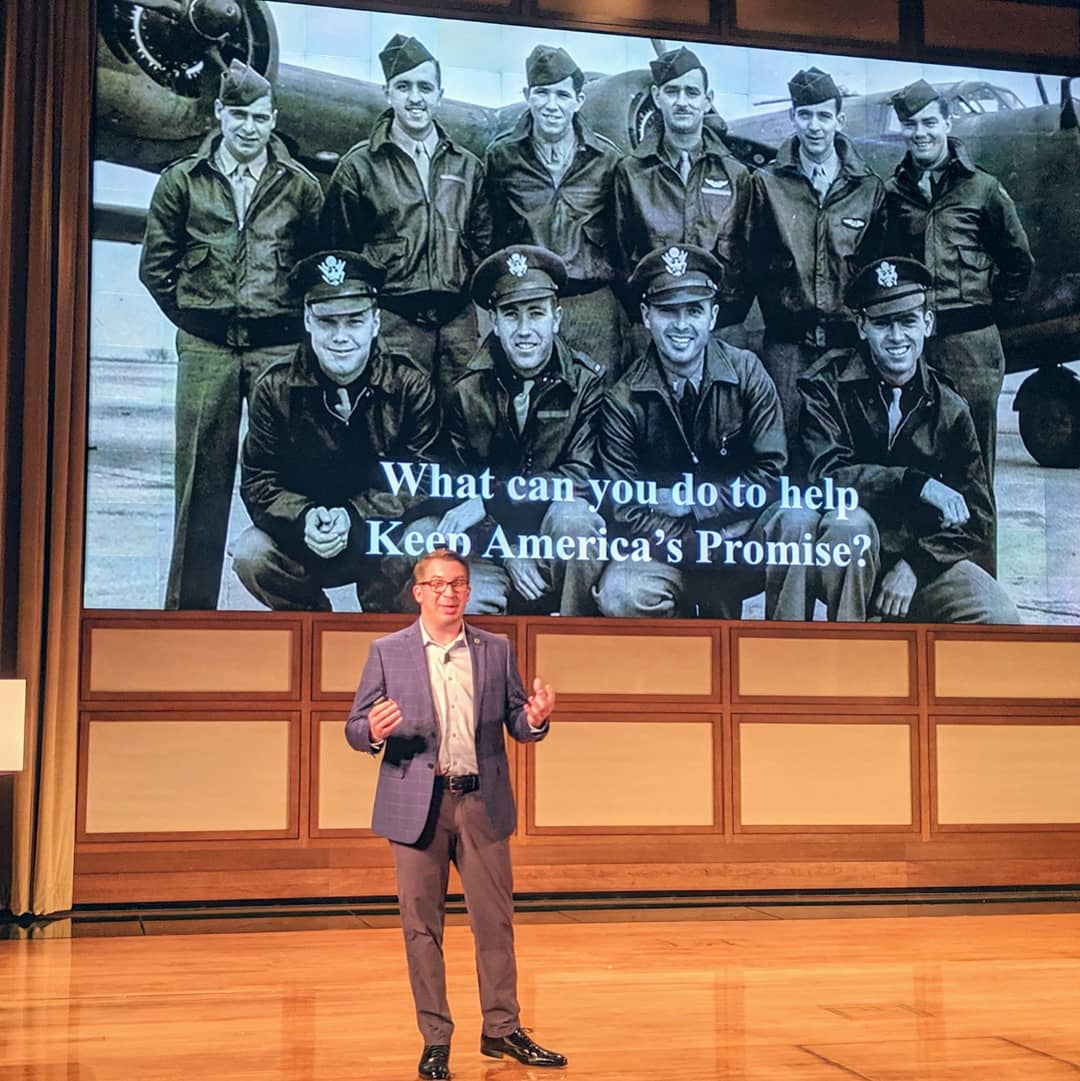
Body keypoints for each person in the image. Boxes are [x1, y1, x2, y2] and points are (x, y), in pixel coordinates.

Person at [345, 547, 567, 1080]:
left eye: (459, 584)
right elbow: (355, 725)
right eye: (439, 585)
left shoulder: (494, 649)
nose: (450, 593)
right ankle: (436, 1038)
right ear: (418, 592)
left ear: (469, 592)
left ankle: (503, 1028)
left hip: (481, 802)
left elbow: (515, 718)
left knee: (495, 921)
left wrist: (533, 718)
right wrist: (372, 730)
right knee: (422, 927)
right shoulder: (387, 652)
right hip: (416, 807)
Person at [139, 60, 323, 609]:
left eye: (260, 117)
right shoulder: (182, 182)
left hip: (278, 350)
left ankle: (298, 600)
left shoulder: (300, 188)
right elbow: (156, 268)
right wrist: (199, 322)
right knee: (201, 485)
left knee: (293, 474)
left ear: (274, 120)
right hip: (207, 349)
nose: (249, 127)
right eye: (238, 115)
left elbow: (317, 270)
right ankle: (188, 614)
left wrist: (291, 334)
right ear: (219, 113)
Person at [796, 257, 1019, 623]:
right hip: (843, 559)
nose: (897, 337)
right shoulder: (826, 387)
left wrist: (915, 567)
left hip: (917, 561)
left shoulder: (950, 406)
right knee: (846, 530)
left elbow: (978, 517)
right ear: (862, 326)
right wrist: (915, 483)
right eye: (883, 324)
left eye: (908, 321)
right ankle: (849, 658)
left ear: (927, 324)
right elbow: (824, 477)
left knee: (999, 618)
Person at [596, 244, 809, 620]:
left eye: (693, 311)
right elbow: (626, 508)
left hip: (743, 542)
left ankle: (784, 657)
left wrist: (693, 502)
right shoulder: (622, 399)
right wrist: (697, 542)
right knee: (621, 593)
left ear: (712, 316)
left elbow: (771, 475)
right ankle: (670, 669)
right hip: (668, 547)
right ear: (646, 316)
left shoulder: (747, 372)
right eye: (667, 311)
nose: (681, 326)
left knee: (796, 519)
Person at [231, 251, 439, 611]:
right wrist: (304, 516)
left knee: (426, 541)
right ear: (308, 322)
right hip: (308, 537)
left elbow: (423, 478)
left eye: (354, 321)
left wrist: (354, 515)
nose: (341, 337)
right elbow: (259, 480)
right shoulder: (274, 387)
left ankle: (385, 627)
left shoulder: (409, 384)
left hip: (380, 536)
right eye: (328, 322)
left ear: (376, 322)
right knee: (251, 554)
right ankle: (312, 625)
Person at [884, 78, 1033, 571]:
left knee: (976, 471)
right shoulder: (893, 193)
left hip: (971, 348)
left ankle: (980, 579)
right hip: (915, 349)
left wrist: (988, 319)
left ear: (948, 123)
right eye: (912, 126)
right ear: (903, 131)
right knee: (918, 464)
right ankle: (922, 578)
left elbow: (1018, 263)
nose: (921, 133)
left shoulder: (984, 188)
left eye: (930, 123)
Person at [432, 245, 606, 615]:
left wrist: (492, 499)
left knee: (575, 520)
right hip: (494, 549)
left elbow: (581, 476)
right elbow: (457, 488)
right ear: (494, 321)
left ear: (556, 318)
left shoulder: (585, 384)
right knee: (465, 598)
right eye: (511, 315)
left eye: (536, 314)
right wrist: (508, 550)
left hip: (553, 540)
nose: (524, 331)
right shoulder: (468, 390)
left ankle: (578, 641)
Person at [321, 34, 492, 401]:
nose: (415, 98)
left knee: (462, 430)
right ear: (388, 94)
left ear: (439, 95)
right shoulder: (359, 166)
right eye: (404, 86)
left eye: (425, 87)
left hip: (458, 327)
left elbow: (483, 245)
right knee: (394, 428)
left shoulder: (467, 166)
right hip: (394, 324)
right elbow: (339, 253)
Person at [747, 66, 886, 467]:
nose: (814, 126)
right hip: (787, 349)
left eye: (824, 115)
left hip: (847, 347)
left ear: (839, 120)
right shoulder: (766, 183)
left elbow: (875, 273)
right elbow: (748, 263)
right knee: (781, 453)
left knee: (846, 452)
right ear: (792, 117)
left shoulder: (868, 188)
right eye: (805, 115)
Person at [485, 44, 625, 378]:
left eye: (562, 95)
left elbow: (622, 236)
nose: (551, 105)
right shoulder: (502, 157)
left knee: (599, 398)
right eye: (542, 93)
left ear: (579, 101)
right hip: (528, 303)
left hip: (592, 306)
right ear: (527, 95)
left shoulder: (607, 160)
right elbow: (488, 234)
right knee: (533, 401)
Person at [612, 46, 751, 332]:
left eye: (692, 92)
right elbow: (620, 256)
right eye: (672, 91)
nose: (682, 102)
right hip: (655, 324)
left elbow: (749, 259)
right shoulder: (631, 172)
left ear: (707, 100)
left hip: (721, 326)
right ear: (656, 96)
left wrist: (724, 316)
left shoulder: (736, 174)